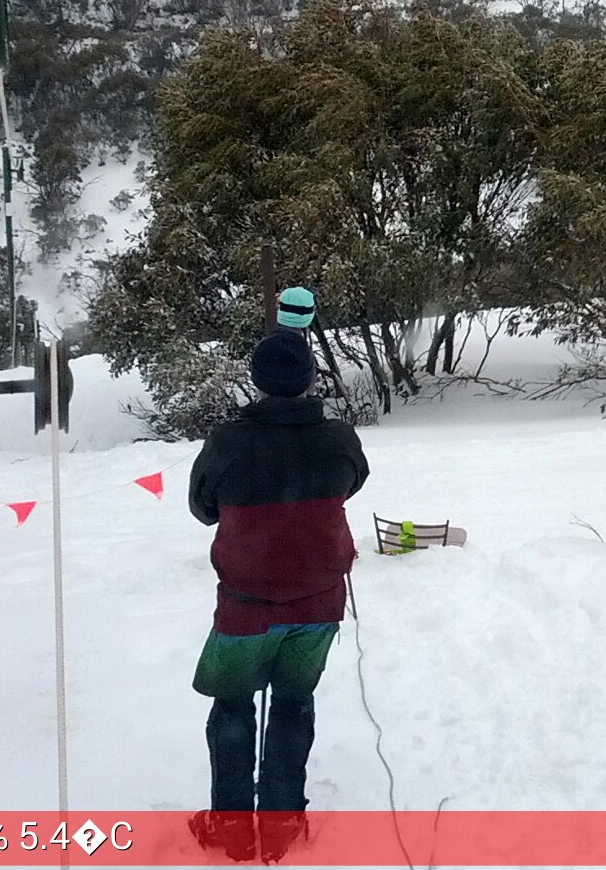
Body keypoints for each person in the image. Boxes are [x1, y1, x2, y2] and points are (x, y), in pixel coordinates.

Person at [187, 326, 369, 862]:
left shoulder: (227, 443)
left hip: (246, 606)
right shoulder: (339, 439)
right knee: (293, 703)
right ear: (313, 379)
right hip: (318, 602)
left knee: (234, 708)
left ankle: (234, 830)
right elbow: (353, 481)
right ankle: (285, 825)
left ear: (256, 381)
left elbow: (204, 509)